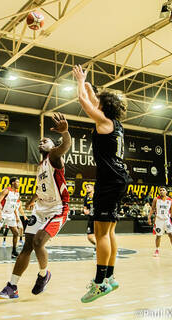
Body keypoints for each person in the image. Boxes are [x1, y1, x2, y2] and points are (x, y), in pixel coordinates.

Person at [0, 113, 71, 299]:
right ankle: (11, 287)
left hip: (57, 210)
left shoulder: (54, 156)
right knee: (27, 246)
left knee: (38, 242)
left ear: (52, 146)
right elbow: (42, 189)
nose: (41, 142)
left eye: (45, 140)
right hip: (41, 208)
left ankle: (44, 275)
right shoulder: (41, 165)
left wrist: (65, 133)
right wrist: (32, 201)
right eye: (40, 141)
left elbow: (65, 146)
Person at [73, 65, 130, 303]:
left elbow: (84, 102)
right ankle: (111, 277)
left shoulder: (103, 121)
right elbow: (91, 97)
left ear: (104, 107)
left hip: (109, 181)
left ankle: (99, 283)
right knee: (110, 231)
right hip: (118, 179)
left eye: (99, 102)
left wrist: (79, 82)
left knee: (101, 233)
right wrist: (87, 83)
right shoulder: (115, 124)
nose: (96, 104)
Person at [148, 186, 172, 257]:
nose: (161, 191)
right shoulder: (156, 199)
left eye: (163, 190)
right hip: (158, 220)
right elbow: (152, 209)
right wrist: (149, 217)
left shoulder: (170, 200)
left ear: (166, 191)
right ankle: (157, 250)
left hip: (167, 220)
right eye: (160, 190)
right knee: (158, 236)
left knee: (171, 235)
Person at [83, 184, 96, 249]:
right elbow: (85, 207)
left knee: (100, 235)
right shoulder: (86, 197)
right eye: (86, 187)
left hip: (98, 218)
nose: (87, 188)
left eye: (88, 187)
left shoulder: (97, 196)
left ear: (93, 188)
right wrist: (85, 210)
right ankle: (97, 245)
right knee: (90, 237)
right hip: (90, 218)